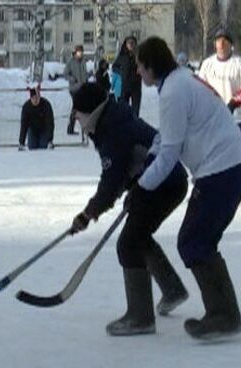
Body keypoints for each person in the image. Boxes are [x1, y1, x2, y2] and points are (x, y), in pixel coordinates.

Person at [134, 36, 241, 340]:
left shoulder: (173, 91)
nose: (137, 72)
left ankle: (224, 316)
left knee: (194, 240)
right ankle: (225, 313)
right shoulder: (181, 81)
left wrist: (141, 187)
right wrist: (149, 160)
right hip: (228, 167)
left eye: (139, 66)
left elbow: (171, 152)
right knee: (198, 239)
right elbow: (169, 136)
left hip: (221, 171)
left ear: (151, 66)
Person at [70, 82, 189, 336]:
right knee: (139, 235)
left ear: (91, 111)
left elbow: (111, 181)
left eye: (78, 112)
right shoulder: (110, 121)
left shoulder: (112, 129)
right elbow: (123, 171)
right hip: (163, 182)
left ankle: (140, 317)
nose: (75, 118)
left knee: (129, 243)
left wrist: (88, 213)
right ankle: (172, 290)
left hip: (163, 184)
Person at [198, 29, 241, 210]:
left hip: (236, 119)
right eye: (218, 41)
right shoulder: (207, 65)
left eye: (225, 41)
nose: (221, 44)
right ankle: (211, 193)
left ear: (231, 44)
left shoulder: (240, 64)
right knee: (211, 157)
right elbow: (200, 87)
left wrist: (232, 103)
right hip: (213, 120)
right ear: (214, 44)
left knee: (240, 157)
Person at [115, 36, 142, 117]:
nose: (130, 44)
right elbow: (114, 67)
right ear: (126, 44)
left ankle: (135, 126)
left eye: (132, 42)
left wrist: (140, 70)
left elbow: (146, 66)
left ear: (135, 44)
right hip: (125, 86)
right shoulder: (122, 55)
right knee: (124, 109)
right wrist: (121, 72)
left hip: (136, 86)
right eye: (128, 43)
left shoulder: (139, 55)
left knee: (135, 110)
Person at [65, 44, 88, 135]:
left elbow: (84, 73)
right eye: (79, 52)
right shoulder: (70, 62)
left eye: (81, 52)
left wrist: (86, 80)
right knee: (76, 107)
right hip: (74, 88)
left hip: (82, 88)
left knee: (79, 108)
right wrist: (72, 79)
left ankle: (82, 127)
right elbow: (66, 74)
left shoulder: (83, 61)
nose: (80, 54)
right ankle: (71, 127)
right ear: (75, 52)